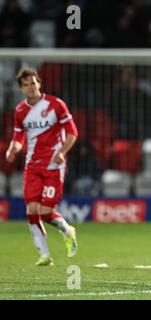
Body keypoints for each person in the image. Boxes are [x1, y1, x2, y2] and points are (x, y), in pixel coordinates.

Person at [5, 68, 79, 266]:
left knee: (46, 212)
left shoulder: (56, 105)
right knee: (31, 210)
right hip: (32, 166)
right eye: (26, 85)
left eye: (33, 83)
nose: (31, 87)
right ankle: (45, 255)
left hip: (54, 165)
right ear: (21, 89)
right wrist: (13, 149)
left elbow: (72, 133)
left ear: (39, 83)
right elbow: (19, 137)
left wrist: (61, 152)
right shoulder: (20, 110)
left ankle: (67, 230)